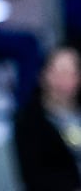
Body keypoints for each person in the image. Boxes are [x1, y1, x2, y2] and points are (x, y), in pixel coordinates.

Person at [12, 44, 81, 191]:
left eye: (69, 73)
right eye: (56, 71)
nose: (61, 80)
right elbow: (37, 177)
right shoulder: (29, 122)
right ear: (43, 75)